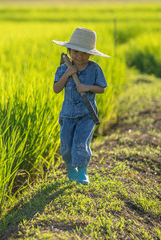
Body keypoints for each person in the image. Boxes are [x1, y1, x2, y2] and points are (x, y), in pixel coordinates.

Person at [52, 27, 109, 185]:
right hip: (68, 114)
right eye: (75, 52)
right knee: (67, 146)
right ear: (69, 50)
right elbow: (56, 89)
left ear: (90, 54)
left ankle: (83, 171)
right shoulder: (63, 68)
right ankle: (71, 168)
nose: (79, 56)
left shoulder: (94, 69)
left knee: (80, 143)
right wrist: (68, 73)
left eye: (84, 53)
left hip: (86, 114)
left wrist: (86, 87)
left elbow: (101, 88)